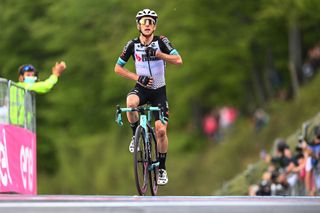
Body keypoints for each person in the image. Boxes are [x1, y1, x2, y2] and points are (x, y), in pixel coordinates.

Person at [114, 9, 182, 185]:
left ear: (154, 26)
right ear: (138, 25)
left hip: (159, 90)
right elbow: (118, 68)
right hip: (142, 88)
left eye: (151, 22)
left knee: (160, 131)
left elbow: (178, 60)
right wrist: (138, 77)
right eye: (144, 22)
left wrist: (159, 55)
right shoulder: (132, 45)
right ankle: (134, 134)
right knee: (130, 102)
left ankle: (162, 168)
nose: (147, 25)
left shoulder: (162, 41)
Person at [10, 62, 66, 126]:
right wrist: (55, 75)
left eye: (33, 75)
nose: (31, 77)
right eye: (28, 75)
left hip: (14, 124)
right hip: (18, 125)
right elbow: (46, 86)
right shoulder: (23, 86)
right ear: (21, 78)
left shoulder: (13, 87)